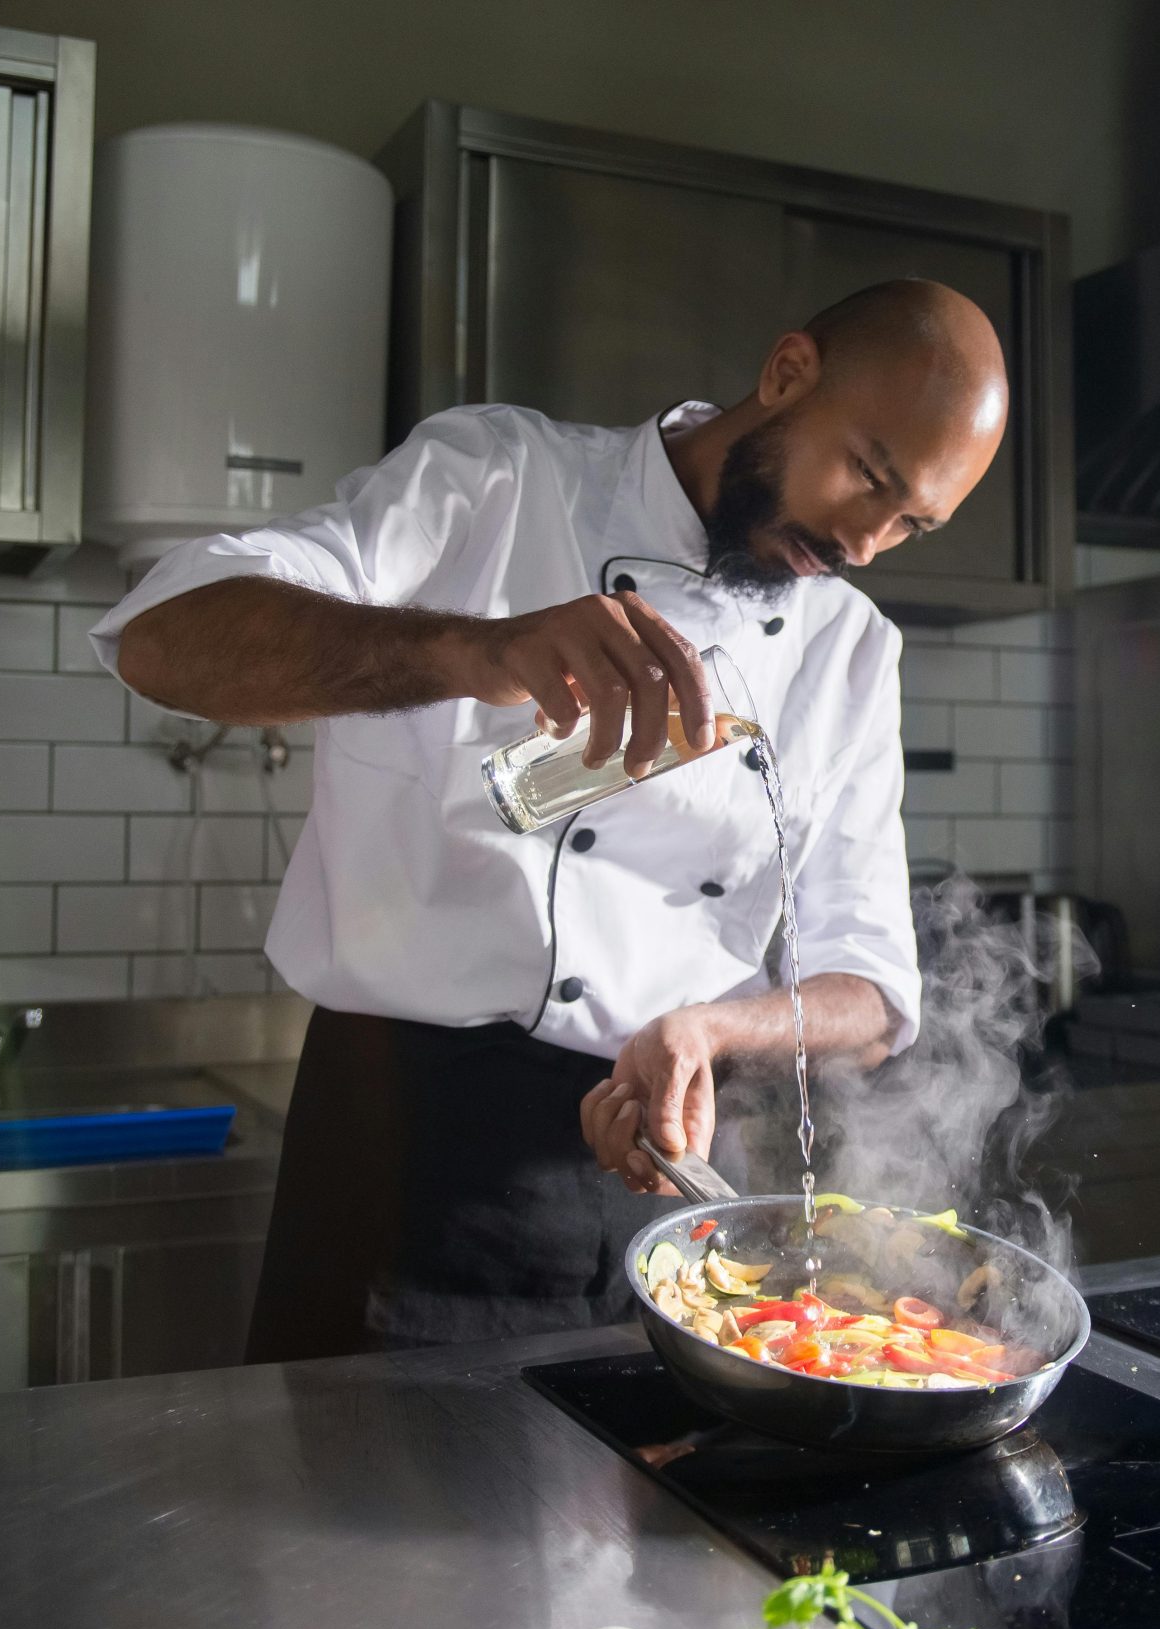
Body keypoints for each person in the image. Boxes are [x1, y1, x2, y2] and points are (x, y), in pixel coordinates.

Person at [93, 278, 1009, 1358]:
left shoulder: (847, 649)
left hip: (659, 1182)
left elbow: (872, 990)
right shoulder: (499, 479)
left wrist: (710, 1031)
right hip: (400, 1158)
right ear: (786, 373)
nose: (865, 541)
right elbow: (163, 638)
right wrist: (474, 650)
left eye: (911, 522)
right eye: (868, 475)